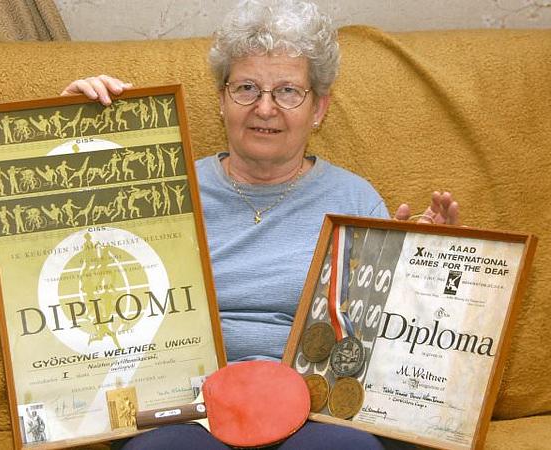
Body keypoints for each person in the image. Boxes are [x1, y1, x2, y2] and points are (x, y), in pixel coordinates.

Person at [61, 1, 459, 448]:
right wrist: (64, 133)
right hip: (185, 409)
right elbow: (81, 271)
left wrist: (429, 269)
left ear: (319, 108)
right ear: (222, 100)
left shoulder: (355, 200)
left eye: (288, 91)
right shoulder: (161, 190)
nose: (265, 108)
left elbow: (396, 350)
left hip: (312, 408)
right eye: (247, 88)